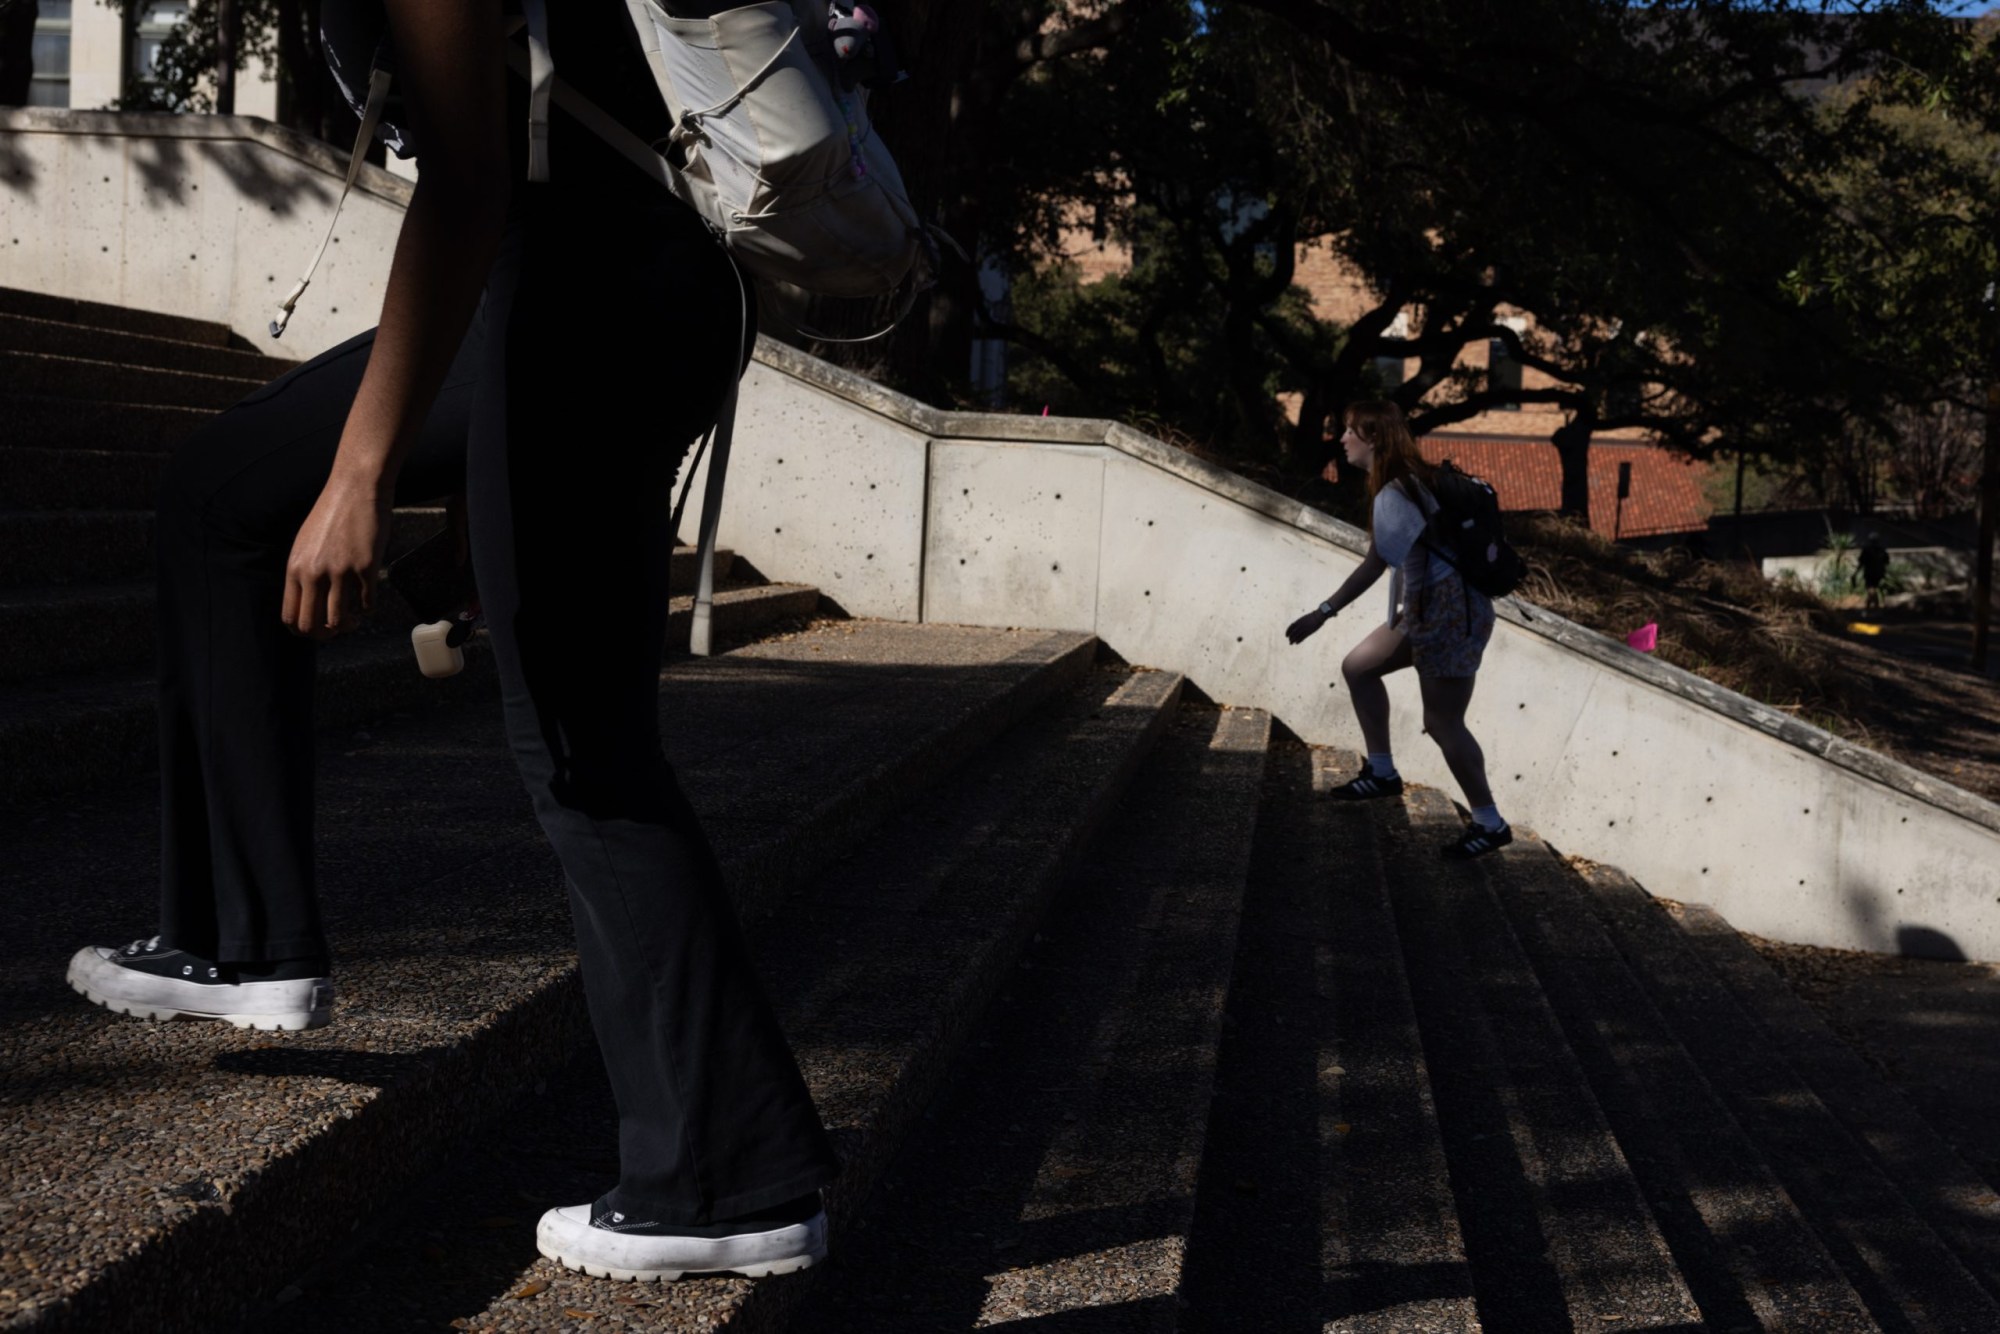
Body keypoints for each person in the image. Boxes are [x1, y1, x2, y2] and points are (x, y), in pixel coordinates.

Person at [63, 0, 839, 1282]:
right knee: (222, 490)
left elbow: (471, 182)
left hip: (586, 302)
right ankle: (240, 937)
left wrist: (361, 477)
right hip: (607, 295)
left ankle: (729, 1171)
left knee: (586, 749)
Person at [1283, 400, 1510, 859]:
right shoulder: (1409, 484)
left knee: (1443, 722)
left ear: (1373, 440)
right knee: (1359, 667)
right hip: (1436, 608)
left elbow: (1373, 565)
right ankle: (1383, 772)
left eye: (1349, 431)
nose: (1341, 439)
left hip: (1448, 613)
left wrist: (1322, 613)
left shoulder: (1396, 494)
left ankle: (1490, 822)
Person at [1859, 534, 1890, 610]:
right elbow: (1887, 562)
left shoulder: (1866, 550)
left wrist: (1855, 573)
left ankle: (1873, 607)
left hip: (1869, 572)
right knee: (1873, 588)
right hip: (1879, 573)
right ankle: (1871, 606)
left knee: (1871, 589)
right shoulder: (1882, 550)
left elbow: (1861, 562)